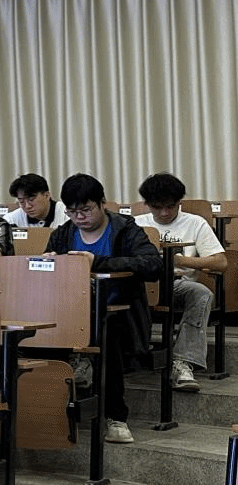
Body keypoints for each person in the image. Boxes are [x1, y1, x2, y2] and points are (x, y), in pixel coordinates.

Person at [45, 173, 162, 445]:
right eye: (72, 212)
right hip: (70, 311)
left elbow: (152, 265)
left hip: (118, 311)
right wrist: (48, 262)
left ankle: (116, 417)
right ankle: (48, 414)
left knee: (106, 334)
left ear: (102, 203)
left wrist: (97, 261)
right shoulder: (63, 234)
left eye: (86, 210)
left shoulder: (125, 229)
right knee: (37, 338)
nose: (79, 217)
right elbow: (48, 268)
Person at [134, 172, 226, 392]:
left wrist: (179, 260)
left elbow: (221, 262)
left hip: (177, 285)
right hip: (141, 286)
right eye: (157, 207)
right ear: (147, 204)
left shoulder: (195, 223)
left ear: (180, 202)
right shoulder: (135, 224)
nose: (165, 213)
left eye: (171, 206)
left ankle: (182, 363)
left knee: (201, 293)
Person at [5, 173, 70, 228]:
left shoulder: (67, 214)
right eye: (21, 201)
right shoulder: (12, 219)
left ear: (47, 196)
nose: (27, 206)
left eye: (31, 199)